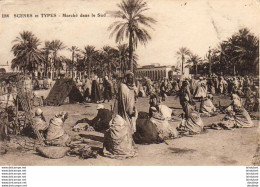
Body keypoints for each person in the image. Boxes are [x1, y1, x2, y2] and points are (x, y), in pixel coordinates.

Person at [103, 71, 138, 159]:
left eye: (131, 78)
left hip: (126, 110)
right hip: (126, 110)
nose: (130, 80)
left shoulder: (126, 87)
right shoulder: (129, 87)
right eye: (129, 78)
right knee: (126, 126)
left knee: (125, 126)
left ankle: (127, 144)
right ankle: (127, 144)